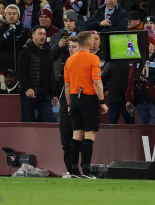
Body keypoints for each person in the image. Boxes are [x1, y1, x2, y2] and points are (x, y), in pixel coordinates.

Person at [64, 31, 108, 178]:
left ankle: (74, 171)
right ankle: (87, 172)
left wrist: (69, 105)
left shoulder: (70, 60)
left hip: (74, 100)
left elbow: (67, 86)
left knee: (76, 134)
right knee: (89, 135)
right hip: (88, 99)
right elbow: (97, 82)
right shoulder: (94, 58)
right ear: (89, 43)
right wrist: (102, 101)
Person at [125, 28, 155, 125]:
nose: (144, 46)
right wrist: (129, 99)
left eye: (147, 44)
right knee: (143, 130)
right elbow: (131, 81)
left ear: (153, 45)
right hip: (141, 101)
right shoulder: (137, 60)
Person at [18, 25, 58, 122]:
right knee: (26, 121)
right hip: (29, 95)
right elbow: (20, 73)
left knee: (49, 121)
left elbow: (51, 74)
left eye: (44, 34)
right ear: (33, 36)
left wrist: (54, 93)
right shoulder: (26, 51)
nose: (43, 36)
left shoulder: (47, 51)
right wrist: (27, 88)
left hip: (45, 95)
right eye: (40, 34)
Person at [0, 4, 29, 89]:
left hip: (22, 72)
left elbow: (27, 49)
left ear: (18, 16)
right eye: (9, 13)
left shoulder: (25, 30)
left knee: (21, 98)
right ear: (5, 15)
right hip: (5, 72)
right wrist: (5, 37)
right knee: (5, 100)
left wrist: (20, 37)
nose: (11, 16)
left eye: (14, 13)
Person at [58, 35, 79, 178]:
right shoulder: (65, 64)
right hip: (65, 105)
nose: (70, 49)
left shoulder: (88, 63)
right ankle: (70, 170)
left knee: (79, 140)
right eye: (69, 47)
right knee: (66, 139)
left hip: (80, 104)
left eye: (74, 47)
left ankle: (82, 170)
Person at [50, 9, 80, 87]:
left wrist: (72, 45)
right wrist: (58, 46)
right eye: (66, 21)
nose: (68, 23)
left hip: (76, 73)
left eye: (70, 20)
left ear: (75, 22)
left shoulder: (81, 35)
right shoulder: (56, 36)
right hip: (58, 74)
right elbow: (50, 55)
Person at [101, 60, 134, 124]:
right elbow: (101, 79)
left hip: (129, 101)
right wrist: (106, 90)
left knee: (131, 127)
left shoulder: (132, 63)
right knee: (112, 126)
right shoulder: (111, 63)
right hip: (114, 101)